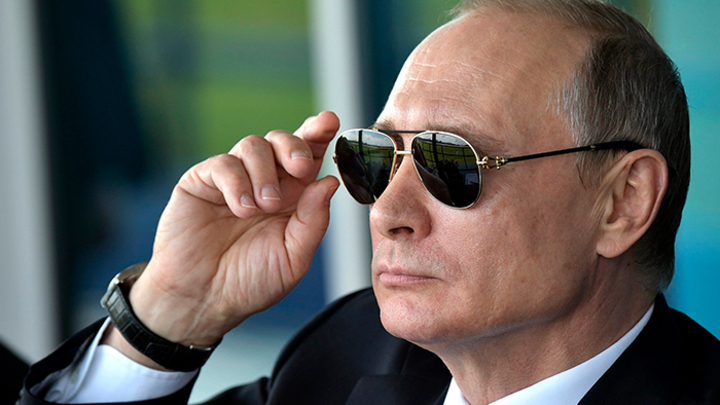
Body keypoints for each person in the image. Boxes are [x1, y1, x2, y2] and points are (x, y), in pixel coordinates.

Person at [17, 0, 720, 404]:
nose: (387, 211)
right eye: (375, 158)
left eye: (452, 162)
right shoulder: (348, 355)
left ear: (622, 202)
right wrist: (170, 314)